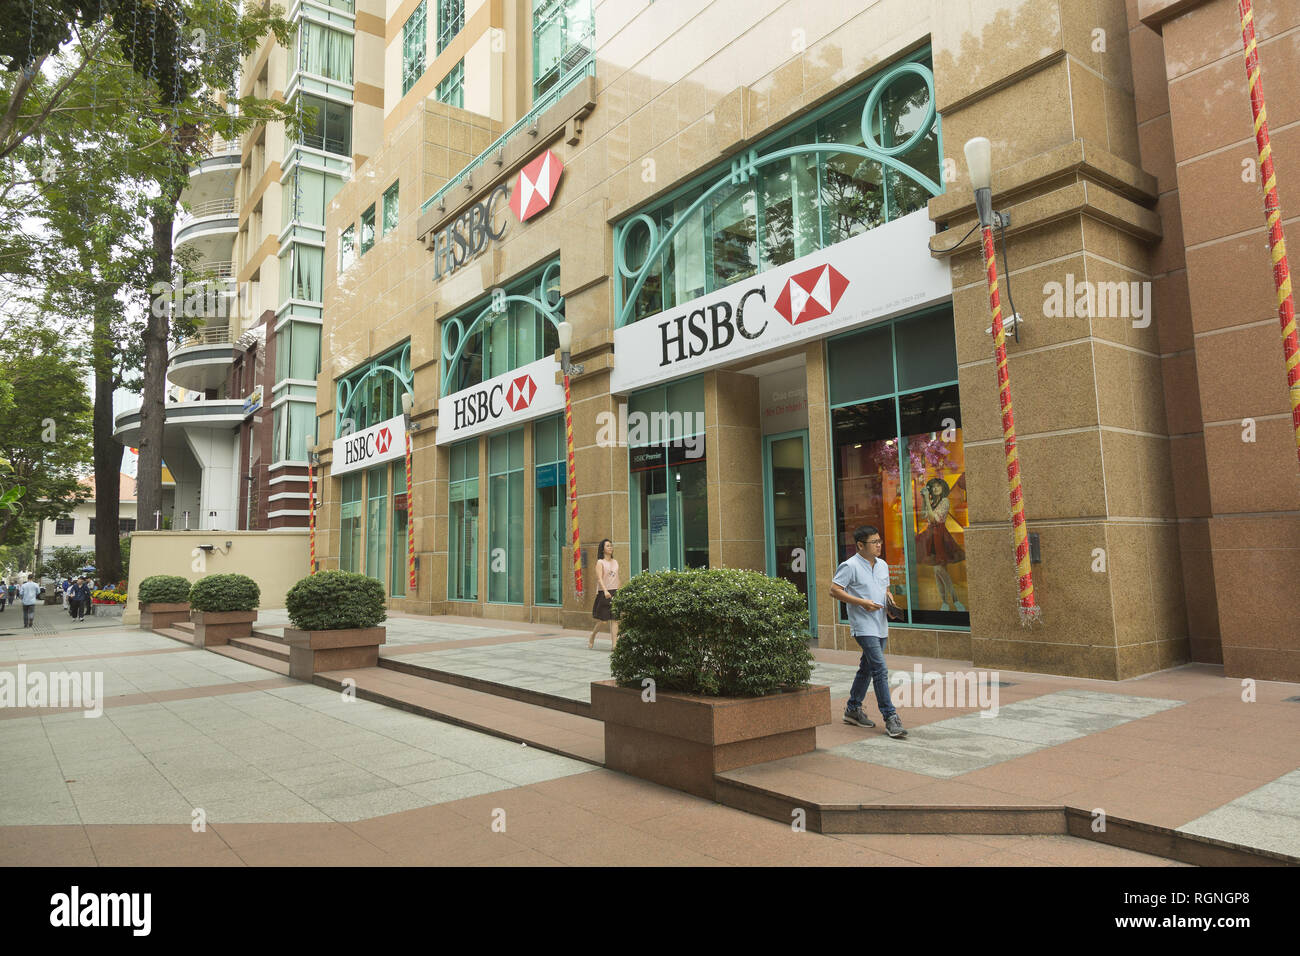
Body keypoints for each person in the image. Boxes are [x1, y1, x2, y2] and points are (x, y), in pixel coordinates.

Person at [829, 525, 907, 739]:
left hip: (881, 623)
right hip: (863, 625)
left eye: (880, 541)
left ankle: (853, 709)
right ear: (860, 545)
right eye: (875, 542)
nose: (879, 545)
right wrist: (862, 603)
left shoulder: (882, 565)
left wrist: (891, 605)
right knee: (880, 669)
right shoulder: (850, 565)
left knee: (867, 668)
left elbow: (886, 590)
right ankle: (891, 717)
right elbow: (834, 590)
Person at [588, 539, 621, 650]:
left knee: (615, 620)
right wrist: (605, 590)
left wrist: (620, 590)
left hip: (615, 591)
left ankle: (614, 645)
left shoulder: (615, 561)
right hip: (604, 592)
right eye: (608, 546)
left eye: (611, 546)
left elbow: (617, 577)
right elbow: (599, 578)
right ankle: (592, 636)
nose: (610, 547)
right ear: (603, 549)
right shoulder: (600, 562)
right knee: (603, 621)